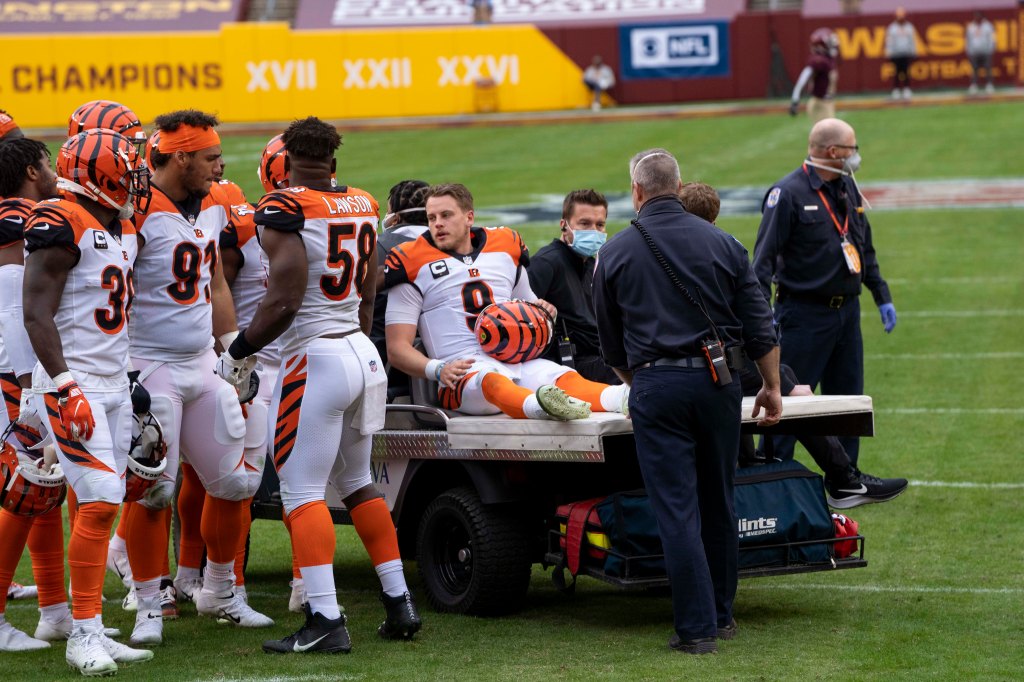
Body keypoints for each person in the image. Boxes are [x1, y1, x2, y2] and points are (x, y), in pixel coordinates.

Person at [217, 116, 422, 654]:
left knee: (301, 492)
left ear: (285, 162)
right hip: (359, 350)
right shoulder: (363, 202)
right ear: (333, 160)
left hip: (314, 357)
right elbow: (370, 290)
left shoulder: (283, 207)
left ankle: (326, 618)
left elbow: (284, 299)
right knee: (357, 482)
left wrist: (238, 351)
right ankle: (399, 601)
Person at [593, 148, 781, 654]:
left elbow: (610, 344)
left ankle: (696, 629)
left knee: (677, 509)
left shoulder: (614, 252)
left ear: (636, 192)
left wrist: (643, 381)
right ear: (679, 188)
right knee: (719, 500)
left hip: (656, 384)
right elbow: (759, 325)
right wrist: (771, 385)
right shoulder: (724, 242)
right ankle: (721, 616)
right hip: (719, 382)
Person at [119, 109, 273, 647]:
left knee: (235, 483)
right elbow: (114, 290)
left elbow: (216, 283)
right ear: (180, 157)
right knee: (154, 491)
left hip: (201, 361)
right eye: (210, 157)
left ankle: (219, 590)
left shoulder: (212, 204)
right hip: (150, 362)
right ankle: (148, 602)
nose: (219, 166)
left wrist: (231, 348)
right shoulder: (136, 208)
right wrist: (124, 369)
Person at [23, 129, 154, 675]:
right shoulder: (61, 220)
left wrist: (131, 381)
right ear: (100, 174)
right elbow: (36, 313)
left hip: (113, 382)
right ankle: (80, 634)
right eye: (127, 169)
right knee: (99, 501)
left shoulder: (117, 227)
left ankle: (92, 626)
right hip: (72, 382)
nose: (136, 178)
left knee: (107, 501)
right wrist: (64, 384)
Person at [384, 183, 629, 421]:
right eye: (431, 217)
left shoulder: (503, 246)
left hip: (514, 359)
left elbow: (529, 307)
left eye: (446, 215)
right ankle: (541, 408)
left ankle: (627, 398)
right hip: (461, 372)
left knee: (562, 376)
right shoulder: (411, 260)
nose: (437, 223)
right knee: (490, 380)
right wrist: (437, 369)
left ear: (469, 217)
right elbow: (397, 349)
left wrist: (545, 314)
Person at [752, 118, 896, 468]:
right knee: (785, 405)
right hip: (804, 315)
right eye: (852, 148)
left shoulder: (847, 187)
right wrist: (761, 319)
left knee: (847, 404)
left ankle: (847, 481)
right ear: (833, 151)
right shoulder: (787, 194)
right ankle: (772, 477)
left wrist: (881, 294)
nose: (856, 155)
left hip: (846, 313)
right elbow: (763, 261)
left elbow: (863, 247)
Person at [0, 136, 71, 652]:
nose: (52, 172)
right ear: (30, 171)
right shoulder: (17, 217)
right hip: (14, 371)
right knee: (23, 489)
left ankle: (55, 611)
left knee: (44, 492)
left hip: (20, 369)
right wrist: (29, 383)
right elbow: (12, 305)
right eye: (47, 163)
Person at [526, 189, 618, 384]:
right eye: (585, 224)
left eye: (600, 225)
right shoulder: (546, 263)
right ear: (564, 225)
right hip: (569, 365)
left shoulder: (593, 266)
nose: (594, 231)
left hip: (600, 357)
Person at [371, 179, 430, 376]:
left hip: (385, 364)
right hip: (445, 357)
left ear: (394, 219)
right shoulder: (453, 246)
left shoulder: (375, 248)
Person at [790, 28, 840, 122]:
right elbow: (803, 79)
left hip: (826, 101)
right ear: (821, 45)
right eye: (829, 43)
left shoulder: (827, 59)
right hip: (819, 102)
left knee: (830, 129)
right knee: (828, 129)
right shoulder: (818, 61)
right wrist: (795, 100)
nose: (833, 46)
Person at [884, 7, 918, 100]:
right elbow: (889, 41)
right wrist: (888, 52)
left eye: (902, 16)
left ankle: (906, 90)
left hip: (906, 53)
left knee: (906, 72)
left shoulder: (909, 27)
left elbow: (912, 40)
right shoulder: (892, 28)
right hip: (896, 54)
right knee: (896, 72)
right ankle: (896, 90)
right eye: (899, 16)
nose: (900, 18)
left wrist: (914, 51)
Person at [966, 11, 996, 95]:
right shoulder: (971, 27)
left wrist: (991, 49)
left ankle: (989, 85)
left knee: (988, 68)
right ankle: (974, 86)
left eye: (979, 16)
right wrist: (969, 51)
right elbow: (968, 39)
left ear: (982, 17)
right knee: (974, 69)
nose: (977, 18)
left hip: (986, 51)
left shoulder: (988, 26)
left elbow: (992, 38)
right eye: (976, 16)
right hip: (974, 52)